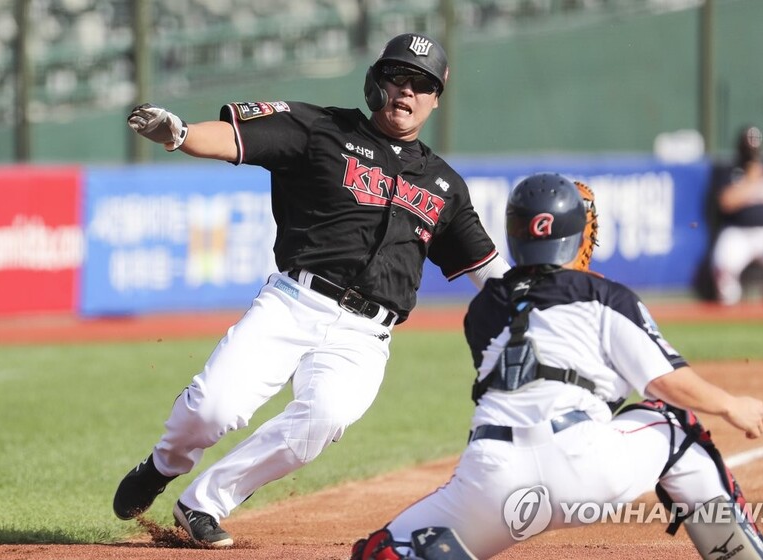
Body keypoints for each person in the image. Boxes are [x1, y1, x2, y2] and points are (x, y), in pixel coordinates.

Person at [113, 32, 511, 547]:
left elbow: (491, 272)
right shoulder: (320, 128)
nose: (407, 92)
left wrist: (545, 291)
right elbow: (237, 140)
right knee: (215, 407)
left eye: (421, 83)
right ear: (376, 82)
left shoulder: (444, 185)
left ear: (436, 96)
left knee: (323, 417)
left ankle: (203, 503)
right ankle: (165, 463)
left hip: (365, 337)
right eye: (397, 77)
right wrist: (180, 133)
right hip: (293, 303)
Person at [351, 173, 763, 560]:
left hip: (492, 477)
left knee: (384, 549)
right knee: (677, 426)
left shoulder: (482, 309)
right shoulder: (603, 294)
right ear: (578, 234)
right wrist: (730, 405)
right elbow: (664, 381)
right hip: (585, 466)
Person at [711, 125, 763, 305]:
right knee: (722, 266)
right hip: (737, 233)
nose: (752, 152)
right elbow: (726, 202)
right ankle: (729, 305)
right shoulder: (730, 170)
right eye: (749, 148)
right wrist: (751, 179)